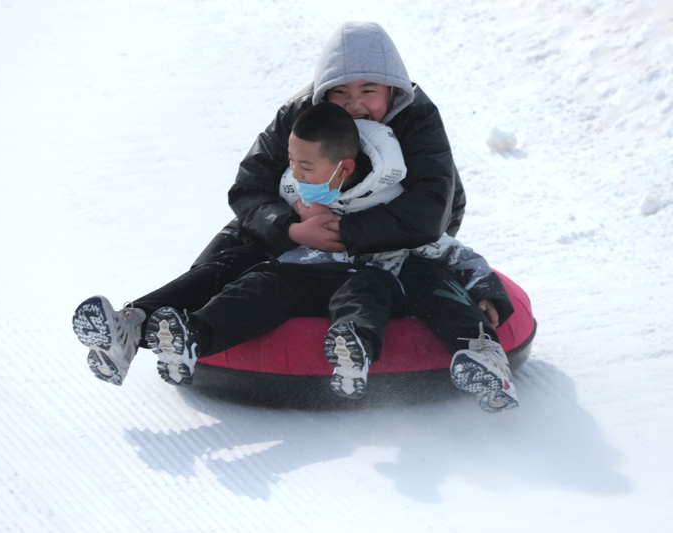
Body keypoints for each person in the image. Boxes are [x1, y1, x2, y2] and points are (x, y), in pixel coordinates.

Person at [72, 22, 513, 411]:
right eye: (340, 92)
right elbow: (250, 188)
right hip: (304, 226)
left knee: (412, 278)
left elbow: (429, 213)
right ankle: (136, 324)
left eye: (368, 91)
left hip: (395, 235)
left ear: (393, 90)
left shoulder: (417, 119)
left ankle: (468, 347)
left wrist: (346, 232)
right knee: (232, 261)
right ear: (322, 93)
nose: (354, 104)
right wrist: (291, 228)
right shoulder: (300, 116)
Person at [141, 103, 517, 411]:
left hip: (374, 281)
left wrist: (486, 289)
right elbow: (244, 233)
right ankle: (194, 338)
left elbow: (452, 252)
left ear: (344, 169)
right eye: (293, 165)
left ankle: (473, 356)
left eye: (306, 168)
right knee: (260, 283)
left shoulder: (392, 214)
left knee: (376, 288)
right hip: (305, 277)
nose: (296, 175)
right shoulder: (295, 204)